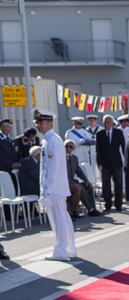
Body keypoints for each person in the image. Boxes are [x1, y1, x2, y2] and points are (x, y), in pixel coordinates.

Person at [34, 109, 77, 260]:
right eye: (37, 122)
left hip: (54, 188)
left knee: (58, 221)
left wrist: (47, 189)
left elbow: (51, 168)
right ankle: (70, 249)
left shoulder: (52, 140)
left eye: (41, 122)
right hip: (56, 187)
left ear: (50, 123)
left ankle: (60, 252)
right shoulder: (49, 139)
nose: (38, 125)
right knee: (63, 219)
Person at [95, 114, 126, 211]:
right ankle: (107, 204)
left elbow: (124, 147)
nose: (106, 124)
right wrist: (99, 163)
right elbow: (98, 150)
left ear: (112, 123)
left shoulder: (118, 133)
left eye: (108, 122)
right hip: (105, 163)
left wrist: (127, 161)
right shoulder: (100, 134)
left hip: (117, 163)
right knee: (106, 185)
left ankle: (118, 204)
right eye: (105, 122)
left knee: (118, 184)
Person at [64, 139, 101, 217]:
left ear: (73, 148)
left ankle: (92, 208)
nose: (67, 148)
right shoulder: (61, 158)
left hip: (72, 181)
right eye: (66, 146)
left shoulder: (74, 158)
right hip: (65, 182)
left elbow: (79, 171)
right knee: (79, 188)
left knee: (88, 186)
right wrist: (74, 183)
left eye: (70, 146)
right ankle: (90, 209)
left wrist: (86, 181)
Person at [65, 117, 95, 186]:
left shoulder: (84, 131)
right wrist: (80, 142)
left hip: (85, 154)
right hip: (76, 154)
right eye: (78, 124)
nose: (80, 126)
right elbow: (71, 143)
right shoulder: (70, 132)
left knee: (86, 171)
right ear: (74, 123)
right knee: (76, 172)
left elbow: (90, 138)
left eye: (80, 124)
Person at [84, 114, 100, 185]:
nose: (91, 122)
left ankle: (102, 185)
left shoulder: (101, 129)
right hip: (90, 152)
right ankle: (94, 185)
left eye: (92, 120)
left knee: (101, 169)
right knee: (92, 169)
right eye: (89, 121)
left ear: (96, 121)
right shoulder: (86, 130)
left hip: (99, 151)